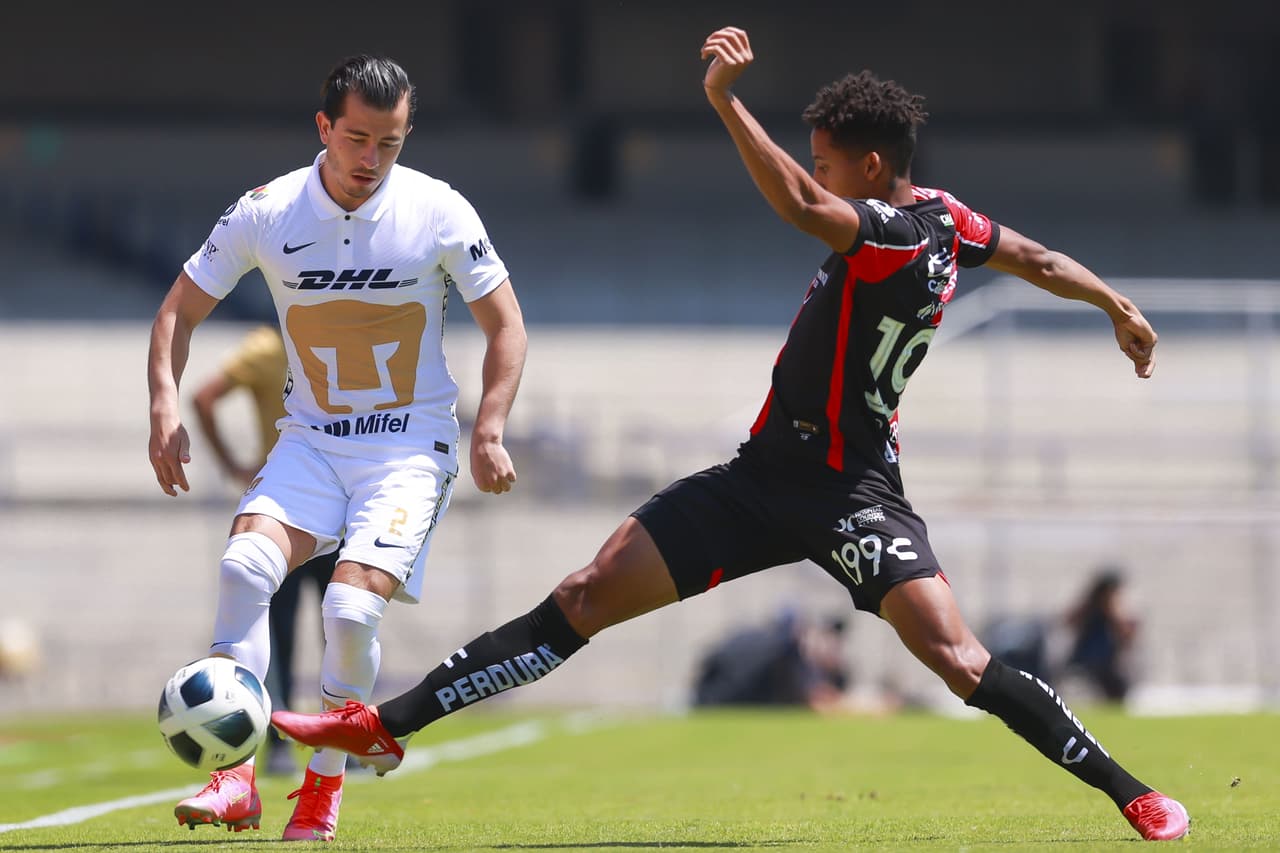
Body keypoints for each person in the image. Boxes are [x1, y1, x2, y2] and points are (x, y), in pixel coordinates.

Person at [271, 28, 1188, 842]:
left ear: (869, 169)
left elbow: (796, 204)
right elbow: (1036, 256)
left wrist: (724, 101)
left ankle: (1133, 794)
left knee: (959, 659)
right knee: (588, 593)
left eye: (826, 159)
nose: (816, 170)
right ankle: (385, 724)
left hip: (851, 493)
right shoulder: (949, 220)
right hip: (761, 479)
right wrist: (1114, 301)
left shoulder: (894, 236)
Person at [147, 54, 527, 842]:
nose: (370, 160)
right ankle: (234, 779)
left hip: (408, 449)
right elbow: (179, 311)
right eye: (356, 138)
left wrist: (488, 425)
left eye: (388, 143)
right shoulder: (268, 210)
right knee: (243, 564)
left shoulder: (439, 210)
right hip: (311, 441)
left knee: (351, 608)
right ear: (324, 127)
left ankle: (321, 794)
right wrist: (163, 403)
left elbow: (507, 326)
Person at [191, 325, 338, 776]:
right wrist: (234, 464)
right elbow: (204, 397)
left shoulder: (278, 344)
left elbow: (203, 398)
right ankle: (291, 742)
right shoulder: (273, 346)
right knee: (296, 633)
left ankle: (315, 742)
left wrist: (236, 466)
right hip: (300, 506)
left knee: (331, 626)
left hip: (309, 503)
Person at [692, 610, 849, 710]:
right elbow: (810, 698)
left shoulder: (756, 638)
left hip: (710, 698)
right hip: (727, 703)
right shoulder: (782, 648)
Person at [1063, 567, 1140, 703]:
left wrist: (1112, 609)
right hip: (1087, 661)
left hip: (1108, 663)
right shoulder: (1088, 609)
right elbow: (1068, 621)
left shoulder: (1114, 611)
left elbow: (1128, 633)